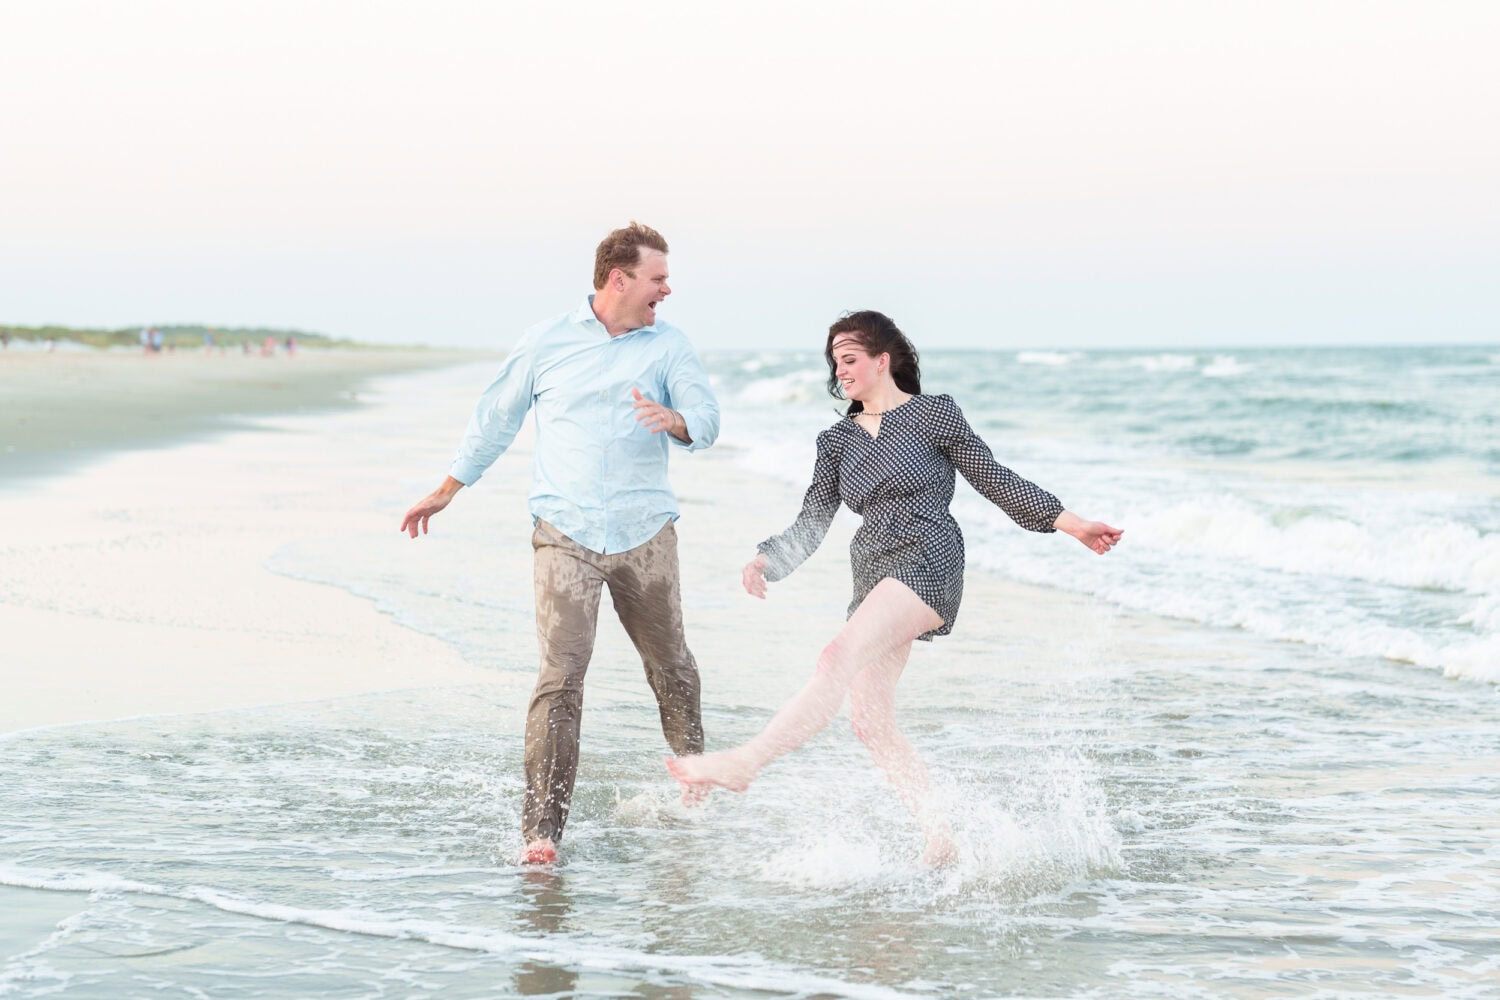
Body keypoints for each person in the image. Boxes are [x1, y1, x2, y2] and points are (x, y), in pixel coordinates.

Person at [666, 310, 1122, 866]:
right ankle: (941, 838)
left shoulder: (935, 414)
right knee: (870, 721)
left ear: (884, 360)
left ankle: (745, 763)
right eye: (835, 363)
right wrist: (769, 558)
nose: (842, 371)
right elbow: (814, 518)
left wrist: (1072, 524)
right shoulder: (835, 441)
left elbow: (997, 480)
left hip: (928, 559)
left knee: (835, 656)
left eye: (851, 359)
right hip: (873, 574)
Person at [401, 222, 720, 865]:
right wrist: (448, 489)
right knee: (561, 679)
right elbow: (495, 419)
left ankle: (695, 784)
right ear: (618, 278)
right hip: (564, 534)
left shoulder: (669, 347)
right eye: (657, 277)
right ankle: (542, 833)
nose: (667, 288)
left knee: (673, 669)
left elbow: (707, 419)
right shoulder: (545, 341)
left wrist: (676, 421)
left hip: (645, 534)